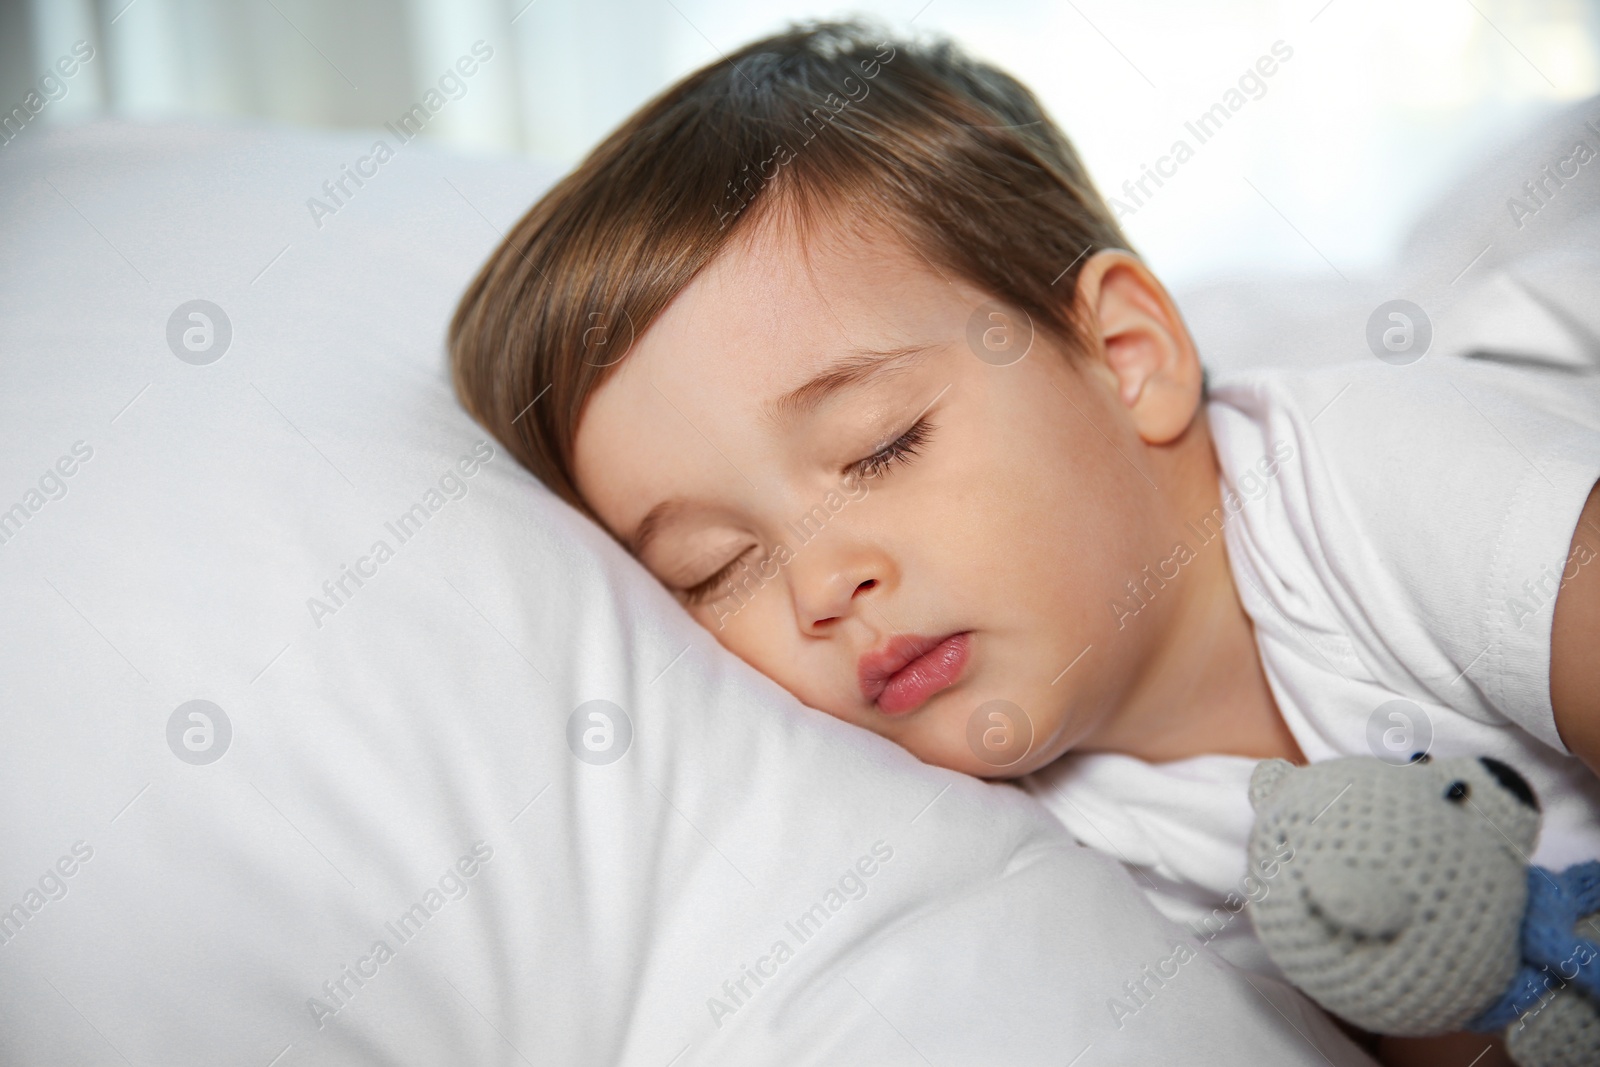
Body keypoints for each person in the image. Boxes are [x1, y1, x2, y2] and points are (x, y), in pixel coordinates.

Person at [449, 21, 1600, 1063]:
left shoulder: (1369, 479)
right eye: (715, 566)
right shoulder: (1048, 850)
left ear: (1122, 353)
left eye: (880, 446)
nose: (820, 580)